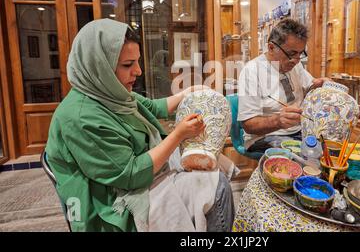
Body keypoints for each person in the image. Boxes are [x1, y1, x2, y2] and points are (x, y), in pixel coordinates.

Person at [45, 19, 234, 232]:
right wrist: (178, 135)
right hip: (113, 203)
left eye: (137, 61)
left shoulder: (109, 93)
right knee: (216, 186)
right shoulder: (80, 118)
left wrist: (187, 94)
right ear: (99, 67)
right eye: (127, 64)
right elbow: (130, 174)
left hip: (136, 173)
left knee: (209, 167)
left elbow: (152, 108)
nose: (138, 71)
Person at [237, 18, 330, 153]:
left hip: (299, 131)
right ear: (271, 47)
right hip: (265, 137)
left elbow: (309, 87)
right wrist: (278, 121)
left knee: (327, 152)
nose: (296, 61)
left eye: (300, 54)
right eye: (292, 54)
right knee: (302, 158)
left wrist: (319, 86)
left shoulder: (295, 66)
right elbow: (248, 125)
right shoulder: (252, 71)